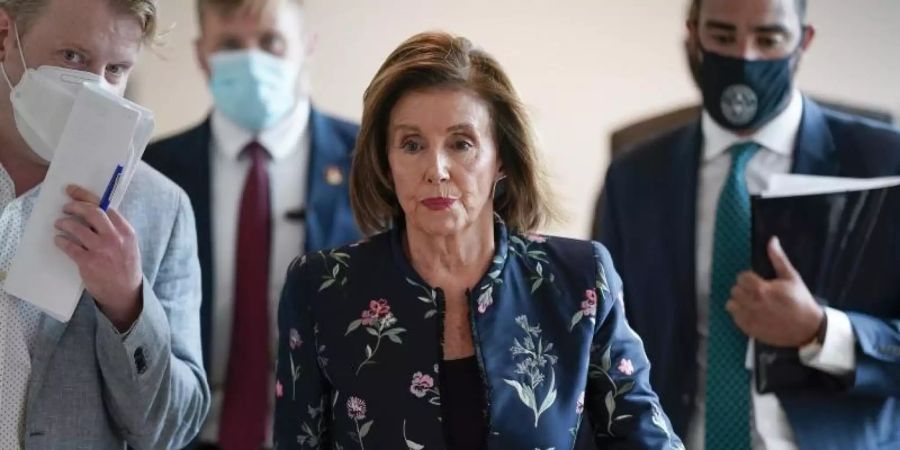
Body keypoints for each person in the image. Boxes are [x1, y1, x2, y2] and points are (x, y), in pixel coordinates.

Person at [273, 31, 684, 450]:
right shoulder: (321, 289)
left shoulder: (579, 281)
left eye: (461, 143)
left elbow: (646, 439)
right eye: (412, 144)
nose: (436, 169)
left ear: (501, 156)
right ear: (385, 158)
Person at [593, 0, 900, 449]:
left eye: (768, 39)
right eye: (722, 36)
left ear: (803, 41)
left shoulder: (881, 161)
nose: (745, 56)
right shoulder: (635, 175)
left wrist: (821, 331)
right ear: (693, 34)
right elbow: (601, 338)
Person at [144, 0, 360, 447]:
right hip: (187, 435)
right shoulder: (153, 170)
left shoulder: (370, 163)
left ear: (308, 46)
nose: (252, 60)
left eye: (270, 41)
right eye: (230, 45)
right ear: (202, 54)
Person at [0, 0, 209, 448]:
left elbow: (172, 429)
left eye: (115, 69)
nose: (93, 87)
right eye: (72, 57)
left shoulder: (161, 209)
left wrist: (128, 305)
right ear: (3, 36)